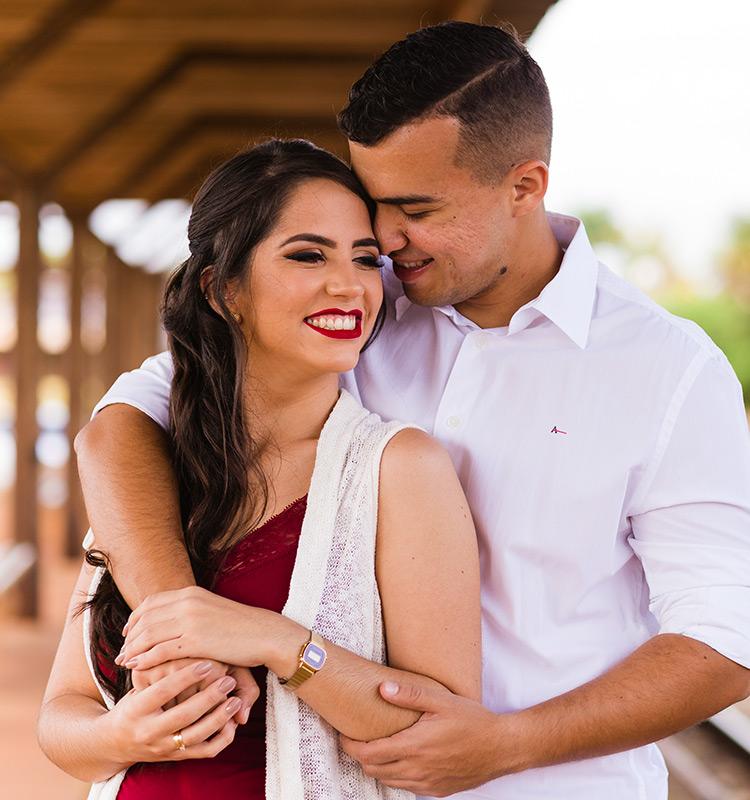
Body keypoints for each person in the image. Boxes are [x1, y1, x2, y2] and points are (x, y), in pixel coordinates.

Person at [74, 20, 750, 800]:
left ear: (525, 187)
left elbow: (718, 646)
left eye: (417, 207)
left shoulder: (668, 369)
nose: (385, 236)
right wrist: (183, 629)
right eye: (376, 204)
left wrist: (508, 745)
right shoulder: (352, 308)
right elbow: (121, 428)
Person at [39, 139, 481, 799]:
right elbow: (62, 717)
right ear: (222, 290)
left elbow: (440, 732)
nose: (350, 284)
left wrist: (277, 642)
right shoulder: (157, 470)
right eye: (308, 255)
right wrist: (124, 735)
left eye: (366, 259)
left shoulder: (398, 467)